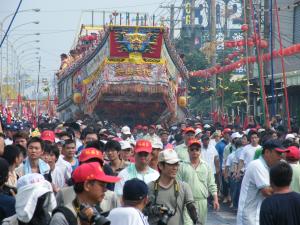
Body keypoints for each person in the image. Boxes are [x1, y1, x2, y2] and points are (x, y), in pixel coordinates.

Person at [49, 162, 120, 225]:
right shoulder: (62, 217)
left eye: (106, 186)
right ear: (87, 185)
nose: (105, 190)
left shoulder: (96, 215)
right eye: (102, 185)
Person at [237, 139, 288, 225]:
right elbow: (267, 191)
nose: (281, 157)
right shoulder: (257, 165)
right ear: (267, 152)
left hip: (259, 214)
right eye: (278, 153)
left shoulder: (270, 166)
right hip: (250, 216)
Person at [146, 149, 201, 225]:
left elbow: (191, 207)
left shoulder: (184, 187)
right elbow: (142, 210)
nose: (175, 168)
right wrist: (154, 209)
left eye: (177, 164)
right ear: (161, 166)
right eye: (171, 164)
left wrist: (196, 221)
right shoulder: (150, 187)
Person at [178, 138, 219, 225]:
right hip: (187, 203)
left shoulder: (206, 166)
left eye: (197, 149)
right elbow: (177, 184)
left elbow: (211, 184)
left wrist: (215, 199)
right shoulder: (181, 166)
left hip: (202, 201)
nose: (194, 151)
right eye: (192, 149)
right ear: (188, 151)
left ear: (200, 151)